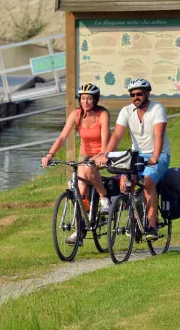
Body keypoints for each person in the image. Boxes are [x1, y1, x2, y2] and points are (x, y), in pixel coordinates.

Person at [94, 78, 171, 240]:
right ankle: (134, 218)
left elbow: (159, 134)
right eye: (132, 94)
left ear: (147, 93)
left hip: (158, 154)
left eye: (139, 94)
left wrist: (155, 157)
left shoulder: (157, 109)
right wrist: (106, 154)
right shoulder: (126, 111)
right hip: (136, 155)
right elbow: (116, 136)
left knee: (149, 181)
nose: (136, 97)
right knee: (125, 183)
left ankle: (151, 226)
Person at [41, 83, 111, 243]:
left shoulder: (103, 114)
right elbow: (62, 137)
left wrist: (103, 154)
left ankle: (104, 197)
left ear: (95, 100)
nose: (86, 102)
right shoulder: (76, 114)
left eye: (90, 99)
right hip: (84, 155)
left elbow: (105, 137)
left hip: (102, 153)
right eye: (83, 98)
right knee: (80, 192)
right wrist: (50, 154)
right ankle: (79, 232)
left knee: (89, 167)